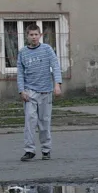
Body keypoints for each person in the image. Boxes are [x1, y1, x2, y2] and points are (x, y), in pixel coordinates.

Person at [16, 22, 62, 160]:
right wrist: (21, 90)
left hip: (46, 91)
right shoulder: (23, 52)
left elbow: (55, 66)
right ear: (27, 36)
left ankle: (46, 149)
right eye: (31, 35)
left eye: (36, 35)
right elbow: (20, 73)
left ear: (40, 35)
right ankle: (29, 150)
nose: (34, 37)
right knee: (30, 121)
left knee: (44, 122)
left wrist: (57, 84)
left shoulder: (47, 49)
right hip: (30, 92)